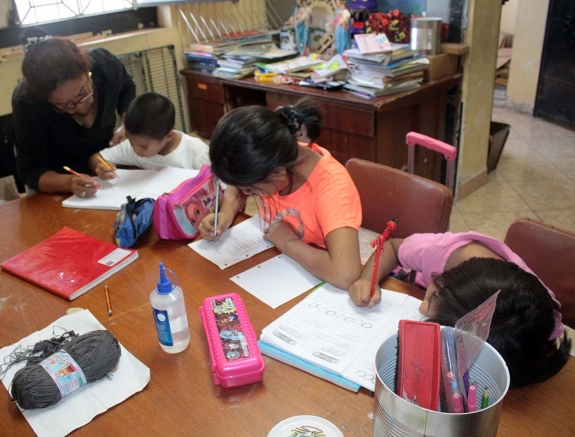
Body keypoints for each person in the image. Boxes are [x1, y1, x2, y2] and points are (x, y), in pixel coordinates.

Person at [348, 231, 571, 388]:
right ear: (447, 275)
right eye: (433, 295)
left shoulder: (532, 329)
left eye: (434, 316)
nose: (422, 307)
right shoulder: (447, 252)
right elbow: (394, 246)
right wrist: (368, 278)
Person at [198, 99, 363, 290]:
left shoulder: (331, 188)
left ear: (277, 173)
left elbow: (345, 275)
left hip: (322, 281)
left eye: (251, 190)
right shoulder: (275, 154)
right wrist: (226, 214)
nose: (246, 194)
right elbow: (236, 188)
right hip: (282, 264)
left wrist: (287, 242)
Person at [12, 37, 136, 197]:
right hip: (58, 187)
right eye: (64, 105)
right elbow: (31, 170)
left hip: (105, 171)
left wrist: (127, 124)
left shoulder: (106, 67)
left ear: (87, 71)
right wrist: (68, 183)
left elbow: (127, 88)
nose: (80, 106)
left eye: (83, 93)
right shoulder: (28, 103)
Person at [92, 92, 210, 177]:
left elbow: (222, 189)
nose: (135, 150)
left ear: (168, 136)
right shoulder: (135, 145)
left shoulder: (197, 152)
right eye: (131, 142)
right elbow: (96, 157)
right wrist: (101, 167)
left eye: (143, 147)